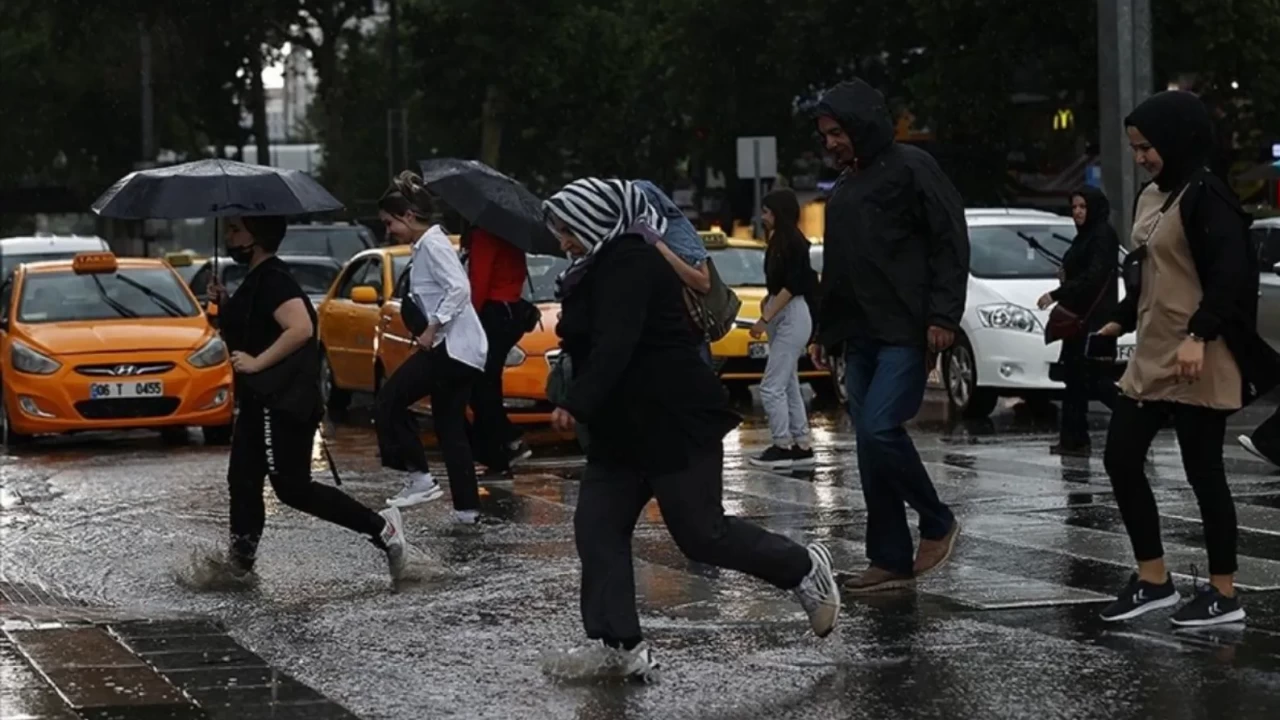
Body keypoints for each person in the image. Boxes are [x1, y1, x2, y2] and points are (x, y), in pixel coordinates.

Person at [544, 178, 840, 678]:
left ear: (596, 221)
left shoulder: (631, 260)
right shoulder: (592, 267)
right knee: (597, 528)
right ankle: (620, 644)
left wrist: (577, 401)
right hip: (623, 429)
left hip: (672, 418)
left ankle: (804, 569)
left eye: (568, 229)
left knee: (702, 535)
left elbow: (618, 342)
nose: (563, 241)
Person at [1094, 90, 1279, 627]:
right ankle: (1154, 579)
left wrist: (1200, 334)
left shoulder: (1208, 195)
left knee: (1204, 473)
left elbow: (1231, 276)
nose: (1142, 157)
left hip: (1201, 353)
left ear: (1178, 140)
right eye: (1134, 148)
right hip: (1153, 352)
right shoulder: (1154, 196)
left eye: (1148, 146)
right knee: (1121, 458)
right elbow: (1155, 272)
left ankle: (1224, 593)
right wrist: (1120, 319)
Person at [811, 78, 967, 593]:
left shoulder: (913, 168)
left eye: (837, 132)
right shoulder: (847, 186)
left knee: (879, 429)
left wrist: (943, 317)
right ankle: (890, 560)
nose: (830, 143)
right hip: (859, 335)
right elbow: (838, 267)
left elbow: (949, 239)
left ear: (861, 126)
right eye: (825, 135)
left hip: (904, 329)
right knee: (869, 445)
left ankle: (938, 520)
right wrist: (824, 330)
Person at [210, 215, 408, 582]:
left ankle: (382, 528)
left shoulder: (274, 279)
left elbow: (300, 328)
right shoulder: (257, 280)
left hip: (282, 402)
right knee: (243, 479)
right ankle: (240, 563)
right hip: (259, 401)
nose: (229, 237)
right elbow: (254, 329)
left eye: (236, 230)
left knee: (292, 488)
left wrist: (256, 363)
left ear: (258, 236)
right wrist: (224, 304)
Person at [374, 172, 489, 524]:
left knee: (389, 400)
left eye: (390, 222)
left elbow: (460, 288)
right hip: (464, 351)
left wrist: (431, 327)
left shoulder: (434, 245)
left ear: (409, 216)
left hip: (450, 349)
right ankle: (467, 511)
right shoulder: (428, 244)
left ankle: (420, 477)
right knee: (450, 428)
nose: (388, 230)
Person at [1036, 187, 1120, 456]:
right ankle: (1074, 440)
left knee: (1096, 379)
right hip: (1078, 320)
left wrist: (1057, 293)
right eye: (1074, 208)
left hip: (1095, 322)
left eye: (1083, 207)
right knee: (1074, 380)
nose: (1078, 212)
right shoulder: (1085, 237)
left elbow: (1093, 278)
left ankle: (1138, 421)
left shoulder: (1102, 236)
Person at [748, 188, 817, 469]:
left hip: (792, 314)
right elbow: (779, 287)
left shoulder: (791, 243)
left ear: (779, 213)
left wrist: (765, 318)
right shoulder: (780, 241)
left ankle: (782, 444)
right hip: (784, 313)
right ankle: (801, 443)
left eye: (767, 212)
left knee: (771, 387)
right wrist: (769, 305)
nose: (763, 217)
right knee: (787, 382)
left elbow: (791, 287)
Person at [459, 222, 532, 476]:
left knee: (482, 386)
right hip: (509, 311)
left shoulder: (485, 235)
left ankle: (507, 439)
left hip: (493, 313)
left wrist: (470, 317)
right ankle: (497, 454)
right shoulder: (510, 234)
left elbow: (480, 280)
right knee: (487, 385)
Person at [633, 179, 715, 365]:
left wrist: (660, 247)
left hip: (687, 330)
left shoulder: (677, 232)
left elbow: (703, 282)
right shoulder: (633, 234)